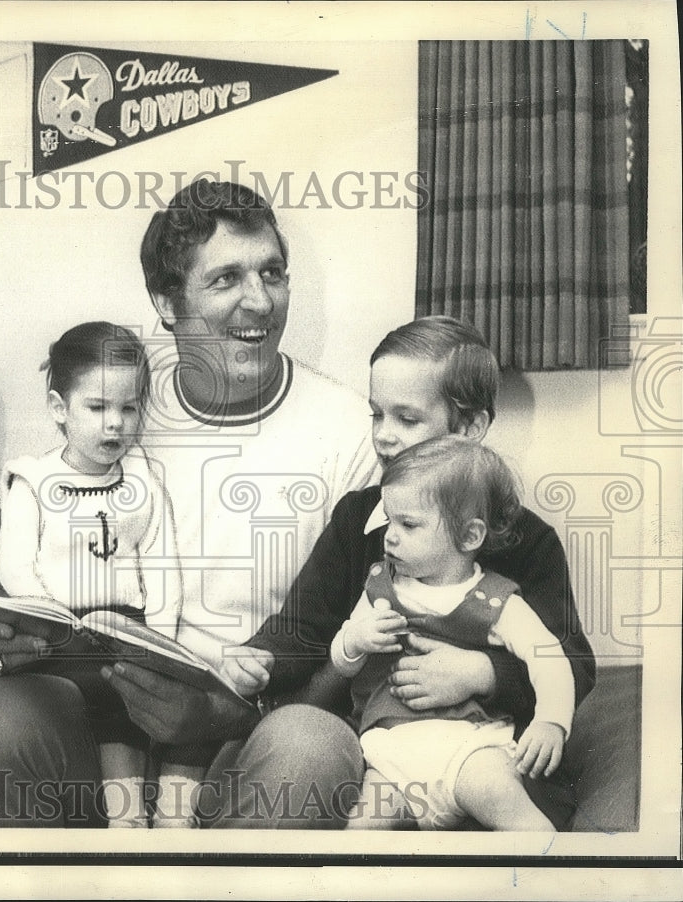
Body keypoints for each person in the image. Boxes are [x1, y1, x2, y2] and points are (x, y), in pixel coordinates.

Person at [0, 179, 380, 827]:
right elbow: (23, 562)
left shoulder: (349, 430)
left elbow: (364, 637)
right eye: (226, 279)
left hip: (245, 736)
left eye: (272, 273)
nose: (259, 301)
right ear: (165, 302)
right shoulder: (118, 409)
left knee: (311, 748)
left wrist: (232, 712)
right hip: (102, 725)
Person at [233, 316, 596, 830]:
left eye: (406, 419)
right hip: (381, 745)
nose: (383, 436)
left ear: (470, 428)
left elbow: (572, 662)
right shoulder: (356, 518)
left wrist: (481, 673)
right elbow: (304, 625)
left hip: (483, 751)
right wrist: (262, 655)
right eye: (377, 414)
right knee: (318, 774)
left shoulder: (526, 540)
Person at [0, 321, 201, 828]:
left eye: (129, 408)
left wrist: (160, 643)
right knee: (70, 694)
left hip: (126, 628)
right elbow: (16, 566)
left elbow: (161, 565)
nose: (116, 425)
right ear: (59, 409)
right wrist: (53, 623)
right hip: (57, 630)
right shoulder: (34, 481)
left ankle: (129, 818)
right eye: (98, 408)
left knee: (127, 696)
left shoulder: (143, 481)